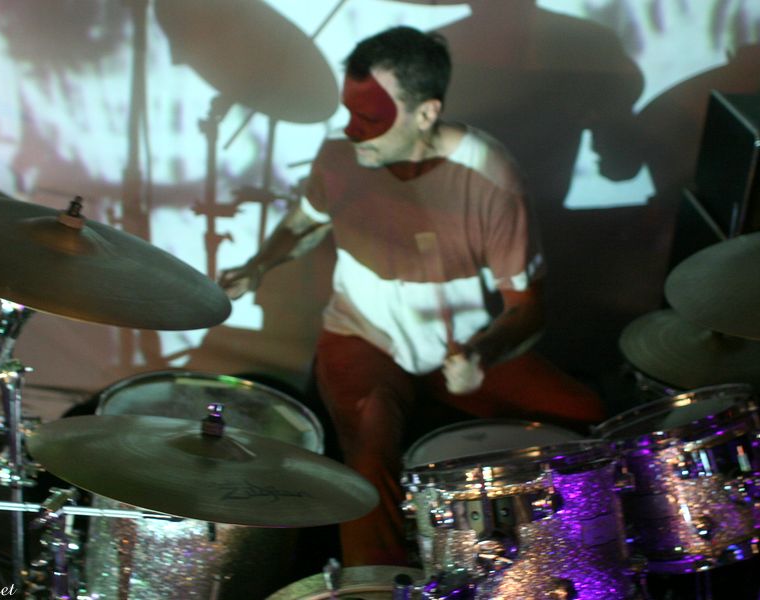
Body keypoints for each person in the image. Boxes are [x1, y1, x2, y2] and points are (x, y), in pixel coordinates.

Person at [219, 26, 604, 568]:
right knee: (369, 448)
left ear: (426, 114)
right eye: (348, 111)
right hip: (362, 335)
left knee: (589, 418)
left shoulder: (490, 175)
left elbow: (527, 308)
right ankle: (376, 586)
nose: (352, 129)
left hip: (461, 346)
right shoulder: (340, 155)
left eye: (370, 117)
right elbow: (306, 222)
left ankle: (573, 566)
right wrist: (258, 266)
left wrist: (480, 355)